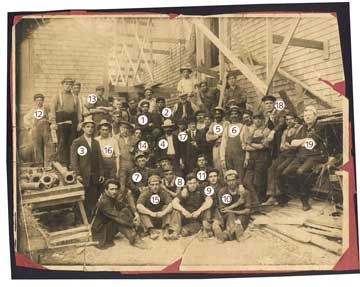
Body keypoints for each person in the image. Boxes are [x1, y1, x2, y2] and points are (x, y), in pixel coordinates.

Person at [281, 105, 328, 211]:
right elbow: (292, 142)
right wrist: (304, 141)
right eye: (305, 116)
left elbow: (311, 143)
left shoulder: (320, 126)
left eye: (309, 115)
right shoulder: (303, 128)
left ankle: (305, 200)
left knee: (300, 172)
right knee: (286, 173)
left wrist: (301, 142)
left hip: (316, 156)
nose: (307, 117)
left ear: (315, 116)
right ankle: (301, 192)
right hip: (302, 155)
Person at [91, 179, 146, 249]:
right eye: (112, 189)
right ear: (106, 190)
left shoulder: (111, 197)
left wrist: (135, 214)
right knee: (118, 221)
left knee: (125, 210)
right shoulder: (104, 201)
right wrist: (132, 222)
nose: (114, 191)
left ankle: (136, 230)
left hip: (107, 224)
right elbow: (117, 216)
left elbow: (123, 206)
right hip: (101, 231)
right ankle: (134, 239)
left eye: (116, 189)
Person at [263, 111, 303, 206]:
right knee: (271, 168)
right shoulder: (286, 131)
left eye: (291, 119)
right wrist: (288, 145)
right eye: (287, 120)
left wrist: (289, 145)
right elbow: (282, 146)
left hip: (293, 155)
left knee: (279, 170)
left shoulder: (300, 129)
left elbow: (297, 146)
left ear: (295, 119)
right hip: (284, 154)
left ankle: (282, 196)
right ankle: (272, 195)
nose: (289, 121)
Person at [70, 116, 104, 218]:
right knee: (80, 197)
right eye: (87, 126)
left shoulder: (96, 142)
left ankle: (90, 218)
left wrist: (101, 174)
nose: (90, 129)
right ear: (83, 128)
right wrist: (77, 174)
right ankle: (77, 218)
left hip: (94, 175)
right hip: (83, 176)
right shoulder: (77, 142)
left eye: (92, 127)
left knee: (92, 197)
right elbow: (74, 161)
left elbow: (100, 160)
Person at [50, 77, 82, 166]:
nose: (68, 86)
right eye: (66, 84)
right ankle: (61, 163)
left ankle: (70, 163)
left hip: (73, 121)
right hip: (61, 122)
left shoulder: (75, 97)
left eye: (70, 84)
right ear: (63, 85)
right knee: (61, 143)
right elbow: (52, 110)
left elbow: (78, 111)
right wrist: (53, 122)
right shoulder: (57, 96)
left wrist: (80, 122)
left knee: (72, 143)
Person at [243, 110, 272, 204]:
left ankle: (259, 200)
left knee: (258, 181)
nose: (257, 121)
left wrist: (251, 143)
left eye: (259, 118)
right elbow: (245, 147)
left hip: (262, 158)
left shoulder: (267, 131)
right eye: (255, 119)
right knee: (246, 181)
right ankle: (253, 199)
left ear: (263, 120)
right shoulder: (251, 131)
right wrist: (254, 146)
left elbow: (263, 146)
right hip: (252, 158)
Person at [213, 170, 251, 242]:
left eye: (233, 180)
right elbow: (223, 210)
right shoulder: (222, 192)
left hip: (241, 215)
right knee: (231, 217)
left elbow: (247, 211)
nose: (231, 182)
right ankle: (237, 234)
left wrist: (232, 210)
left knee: (238, 221)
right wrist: (238, 203)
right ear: (226, 182)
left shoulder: (245, 192)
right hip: (228, 216)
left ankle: (225, 235)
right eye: (229, 180)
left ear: (237, 180)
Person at [171, 173, 213, 238]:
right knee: (176, 211)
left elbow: (210, 201)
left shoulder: (201, 189)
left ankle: (207, 230)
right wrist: (183, 211)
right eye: (190, 183)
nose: (192, 185)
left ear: (197, 183)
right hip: (187, 216)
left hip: (198, 216)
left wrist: (199, 211)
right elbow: (174, 202)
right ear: (187, 184)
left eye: (194, 183)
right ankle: (175, 232)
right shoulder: (184, 191)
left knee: (207, 209)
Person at [136, 175, 174, 240]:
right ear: (149, 185)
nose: (155, 187)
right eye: (152, 185)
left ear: (160, 184)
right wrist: (151, 213)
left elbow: (171, 204)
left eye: (157, 184)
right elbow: (139, 206)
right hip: (150, 219)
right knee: (142, 211)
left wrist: (163, 212)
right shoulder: (145, 192)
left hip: (161, 218)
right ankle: (151, 231)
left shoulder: (163, 191)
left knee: (166, 207)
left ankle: (166, 229)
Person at [23, 93, 54, 167]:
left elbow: (52, 118)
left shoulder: (46, 109)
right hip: (36, 130)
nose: (39, 102)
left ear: (43, 101)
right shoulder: (33, 110)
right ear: (35, 101)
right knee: (37, 147)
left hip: (46, 129)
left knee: (48, 146)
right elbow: (26, 118)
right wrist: (30, 127)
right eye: (37, 100)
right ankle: (39, 163)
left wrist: (50, 122)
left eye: (41, 100)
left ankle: (48, 164)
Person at [220, 105, 247, 179]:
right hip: (228, 157)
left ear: (239, 115)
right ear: (229, 116)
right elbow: (223, 144)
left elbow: (246, 144)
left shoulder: (243, 127)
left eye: (235, 114)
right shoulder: (227, 128)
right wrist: (222, 159)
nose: (234, 116)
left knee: (240, 175)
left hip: (240, 156)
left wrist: (246, 158)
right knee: (230, 176)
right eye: (232, 114)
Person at [115, 121, 137, 193]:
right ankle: (120, 202)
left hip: (132, 165)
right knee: (122, 185)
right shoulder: (116, 139)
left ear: (129, 130)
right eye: (122, 128)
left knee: (133, 184)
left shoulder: (134, 139)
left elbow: (143, 151)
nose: (124, 130)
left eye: (126, 128)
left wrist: (135, 153)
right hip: (121, 166)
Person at [206, 106, 229, 173]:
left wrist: (221, 138)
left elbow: (226, 135)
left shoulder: (226, 123)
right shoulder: (213, 124)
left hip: (225, 147)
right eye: (216, 114)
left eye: (219, 114)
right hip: (216, 147)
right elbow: (208, 137)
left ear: (222, 114)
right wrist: (217, 136)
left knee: (225, 164)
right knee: (217, 165)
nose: (217, 115)